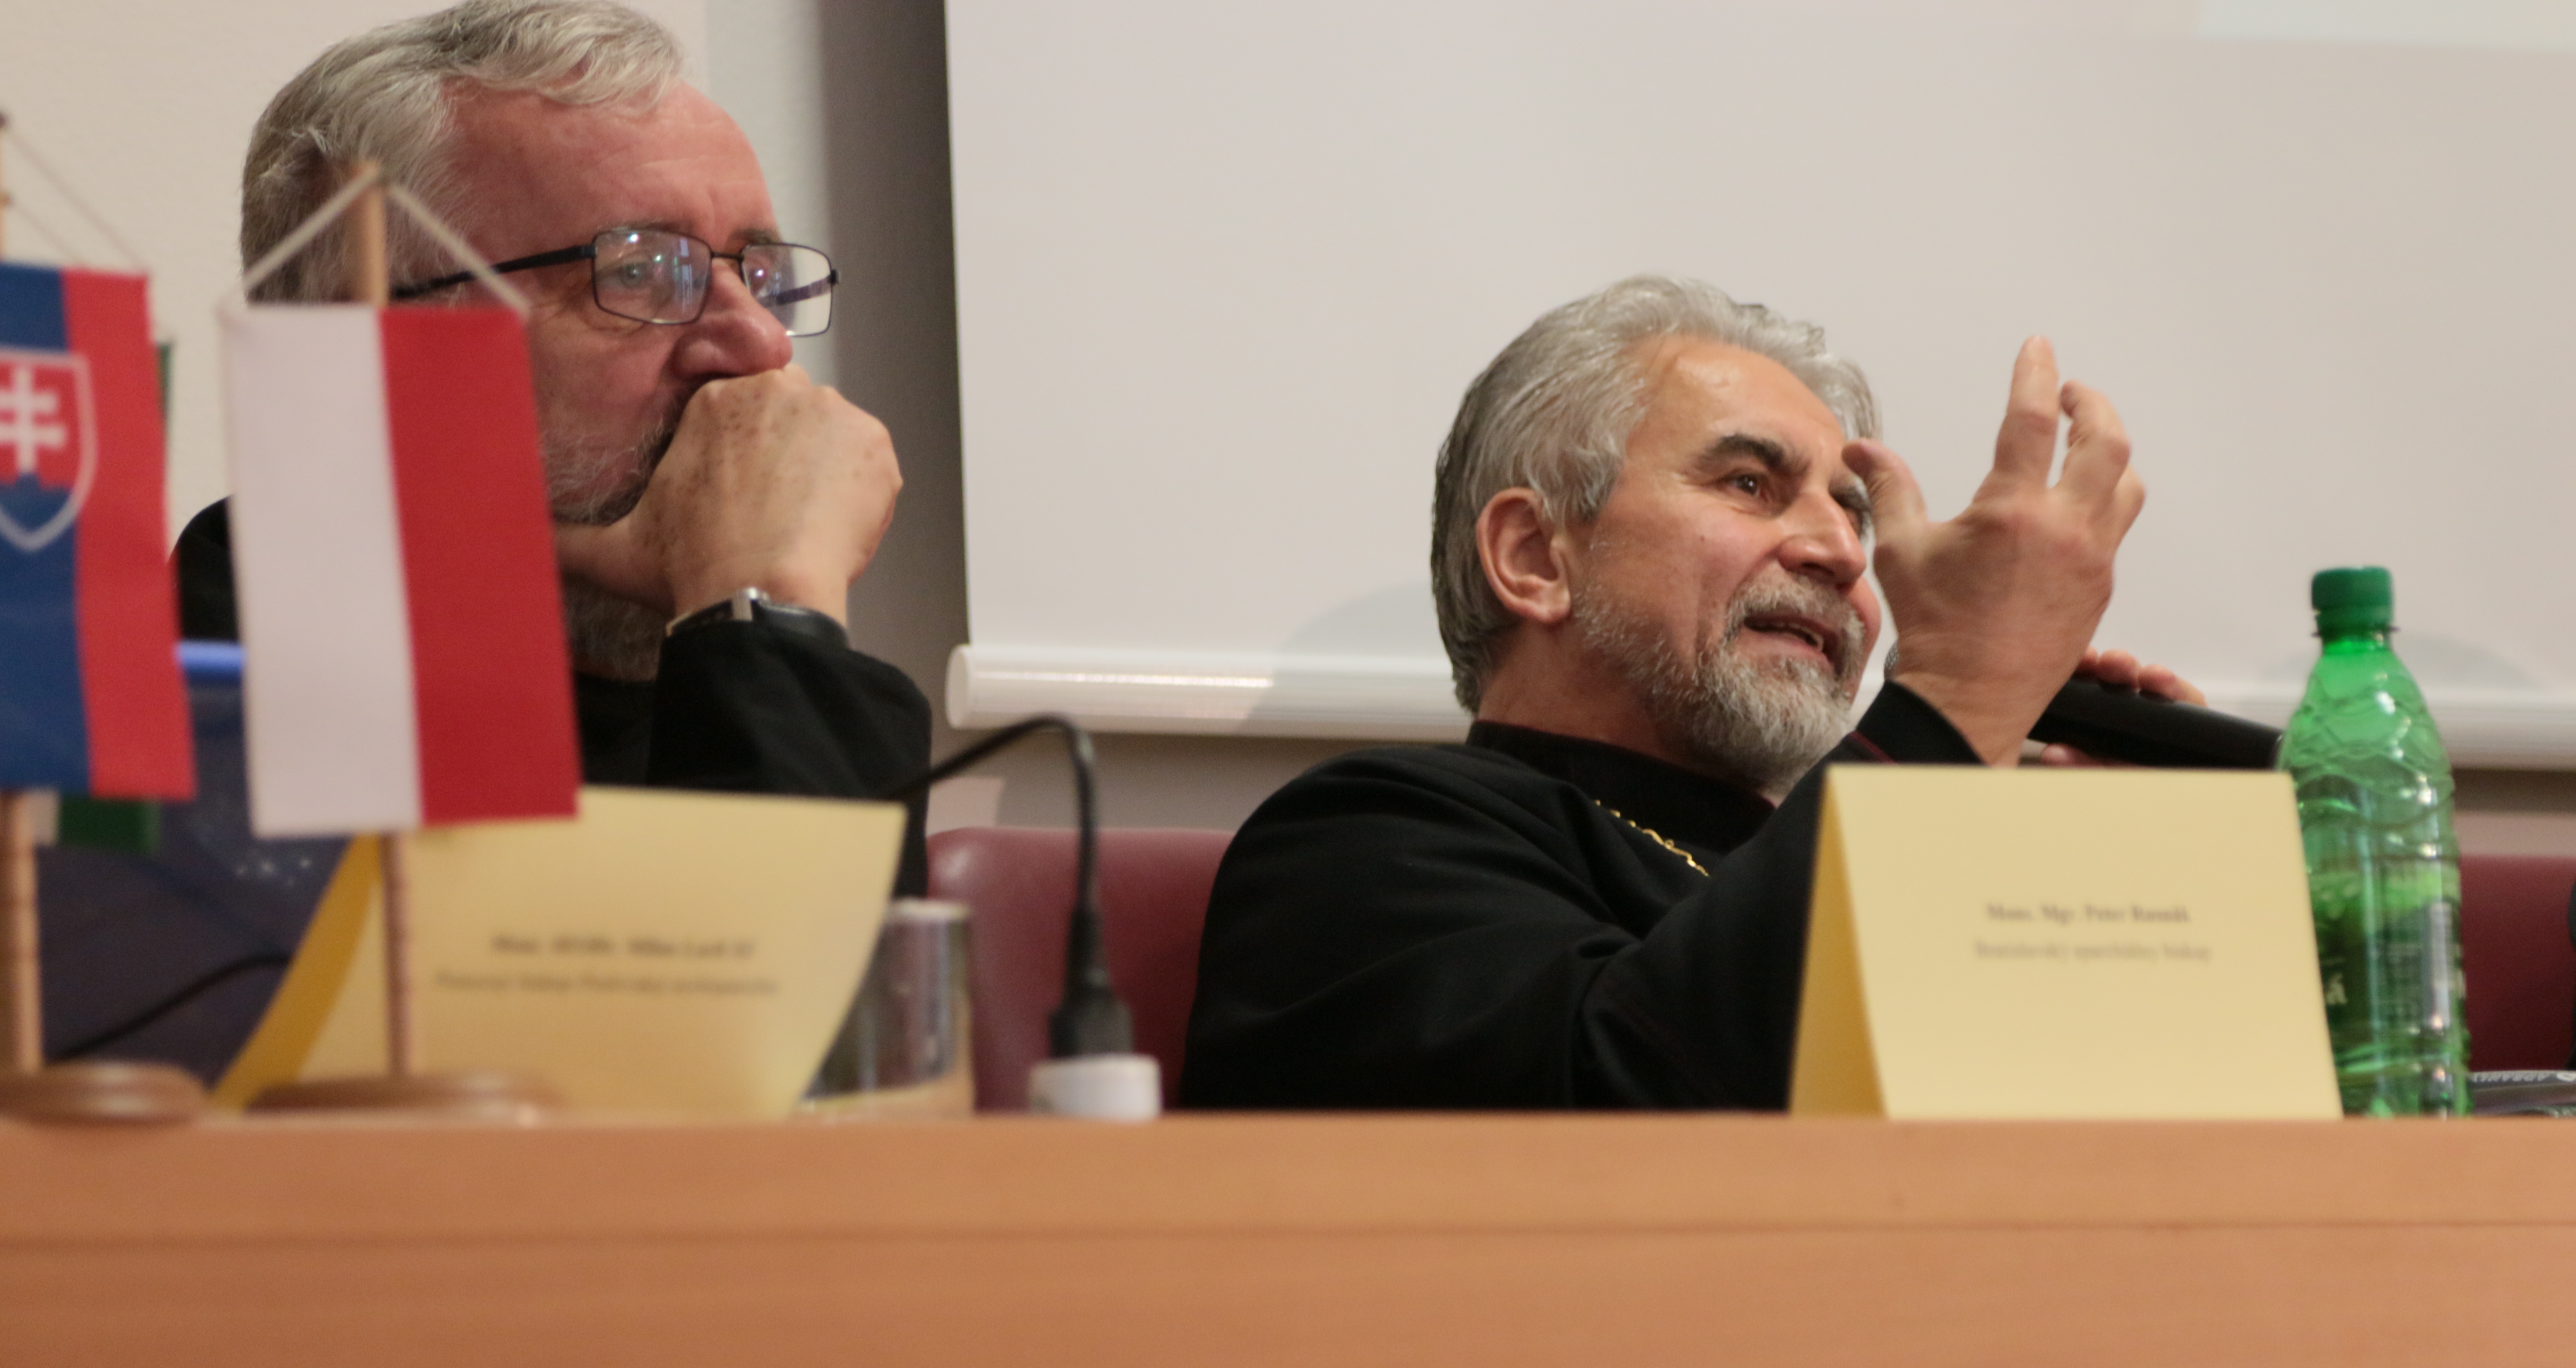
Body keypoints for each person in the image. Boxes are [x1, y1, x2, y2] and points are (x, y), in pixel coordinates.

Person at [1180, 275, 2180, 1110]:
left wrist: (2122, 896)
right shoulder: (1361, 849)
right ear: (1535, 557)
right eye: (1748, 484)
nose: (1841, 552)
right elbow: (1631, 1131)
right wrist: (1954, 695)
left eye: (1854, 514)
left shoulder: (1893, 879)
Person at [173, 0, 930, 884]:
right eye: (640, 272)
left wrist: (764, 622)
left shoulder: (748, 664)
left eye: (758, 276)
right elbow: (741, 975)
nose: (760, 344)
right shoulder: (199, 715)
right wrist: (770, 610)